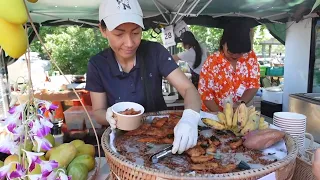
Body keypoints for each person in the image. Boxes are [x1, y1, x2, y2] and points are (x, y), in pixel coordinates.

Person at [85, 0, 201, 154]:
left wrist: (190, 118)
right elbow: (99, 110)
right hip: (121, 143)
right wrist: (109, 117)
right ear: (103, 30)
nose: (129, 43)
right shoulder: (97, 64)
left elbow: (188, 89)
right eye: (119, 33)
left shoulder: (155, 52)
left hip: (163, 141)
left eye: (136, 32)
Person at [198, 23, 260, 112]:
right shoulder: (212, 62)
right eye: (231, 52)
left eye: (240, 53)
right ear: (223, 43)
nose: (235, 56)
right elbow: (206, 95)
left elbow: (253, 85)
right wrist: (222, 116)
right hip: (214, 114)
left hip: (239, 113)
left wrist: (241, 103)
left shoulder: (250, 57)